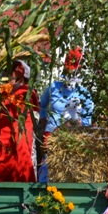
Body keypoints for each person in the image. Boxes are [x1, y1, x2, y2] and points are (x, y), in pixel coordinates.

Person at [37, 48, 93, 182]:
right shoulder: (54, 87)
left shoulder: (84, 94)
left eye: (74, 71)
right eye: (69, 70)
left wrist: (80, 124)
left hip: (73, 138)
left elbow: (87, 119)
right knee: (48, 168)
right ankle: (43, 191)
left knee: (68, 171)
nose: (71, 74)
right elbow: (42, 105)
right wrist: (43, 121)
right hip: (52, 135)